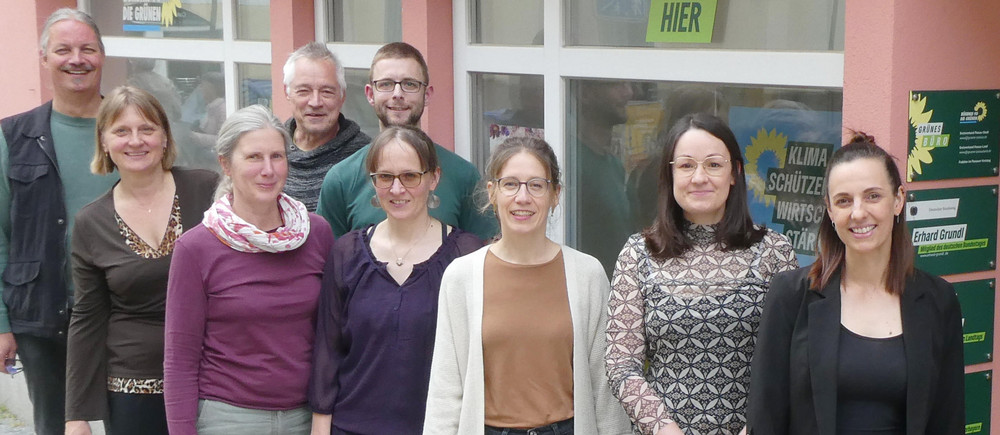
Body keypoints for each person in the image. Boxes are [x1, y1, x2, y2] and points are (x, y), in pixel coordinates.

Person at [747, 133, 964, 435]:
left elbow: (947, 420)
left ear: (899, 199)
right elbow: (765, 419)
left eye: (873, 196)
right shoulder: (792, 296)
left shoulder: (938, 300)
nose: (858, 212)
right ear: (830, 210)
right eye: (844, 200)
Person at [605, 113, 798, 435]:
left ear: (735, 173)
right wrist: (665, 429)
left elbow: (793, 360)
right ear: (669, 175)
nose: (699, 177)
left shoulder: (775, 252)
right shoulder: (638, 254)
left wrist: (757, 427)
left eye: (713, 164)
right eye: (685, 165)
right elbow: (621, 364)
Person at [423, 137, 631, 434]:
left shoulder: (587, 274)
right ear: (492, 192)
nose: (523, 197)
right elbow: (446, 391)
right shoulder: (462, 277)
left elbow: (604, 389)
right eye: (510, 184)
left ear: (555, 194)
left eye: (536, 185)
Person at [163, 105, 335, 435]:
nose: (268, 170)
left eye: (277, 156)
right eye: (254, 157)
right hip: (227, 420)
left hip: (307, 418)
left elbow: (332, 337)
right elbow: (180, 362)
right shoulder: (196, 248)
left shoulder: (317, 234)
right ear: (225, 164)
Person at [64, 86, 219, 435]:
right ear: (104, 142)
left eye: (147, 129)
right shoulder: (91, 222)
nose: (136, 141)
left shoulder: (206, 190)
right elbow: (87, 317)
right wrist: (76, 415)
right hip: (133, 390)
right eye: (122, 131)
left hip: (211, 377)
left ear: (164, 136)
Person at [309, 125, 482, 434]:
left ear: (434, 178)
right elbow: (328, 352)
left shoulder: (466, 256)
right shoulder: (346, 253)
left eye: (410, 176)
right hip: (352, 427)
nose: (397, 189)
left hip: (437, 428)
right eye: (385, 177)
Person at [0, 9, 118, 435]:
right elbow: (0, 236)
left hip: (123, 312)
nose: (77, 59)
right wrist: (2, 325)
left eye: (88, 48)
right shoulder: (12, 136)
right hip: (41, 314)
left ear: (103, 56)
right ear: (44, 58)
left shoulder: (131, 130)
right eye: (63, 49)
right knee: (55, 426)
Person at [317, 42, 498, 241]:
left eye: (409, 84)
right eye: (385, 84)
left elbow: (481, 257)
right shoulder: (342, 179)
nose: (397, 94)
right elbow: (330, 263)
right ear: (370, 94)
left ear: (427, 94)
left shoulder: (463, 175)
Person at [282, 42, 371, 211]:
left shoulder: (365, 158)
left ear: (342, 95)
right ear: (287, 92)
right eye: (304, 91)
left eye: (327, 92)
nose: (315, 102)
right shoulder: (271, 150)